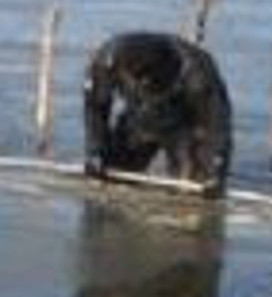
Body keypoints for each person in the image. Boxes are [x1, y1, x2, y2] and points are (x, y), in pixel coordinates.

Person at [83, 32, 231, 196]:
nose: (141, 83)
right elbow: (95, 108)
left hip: (184, 123)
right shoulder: (106, 62)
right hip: (138, 117)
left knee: (193, 194)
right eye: (133, 78)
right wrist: (95, 149)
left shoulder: (197, 72)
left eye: (147, 80)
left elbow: (216, 125)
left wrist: (216, 166)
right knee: (110, 179)